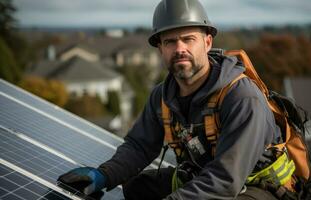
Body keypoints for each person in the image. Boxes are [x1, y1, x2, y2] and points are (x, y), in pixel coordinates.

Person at [58, 0, 283, 199]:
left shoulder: (241, 98)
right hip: (205, 177)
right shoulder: (162, 96)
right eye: (170, 42)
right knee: (138, 188)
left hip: (256, 187)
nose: (179, 49)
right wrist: (104, 175)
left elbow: (225, 180)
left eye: (188, 39)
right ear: (160, 49)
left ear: (207, 42)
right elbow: (139, 146)